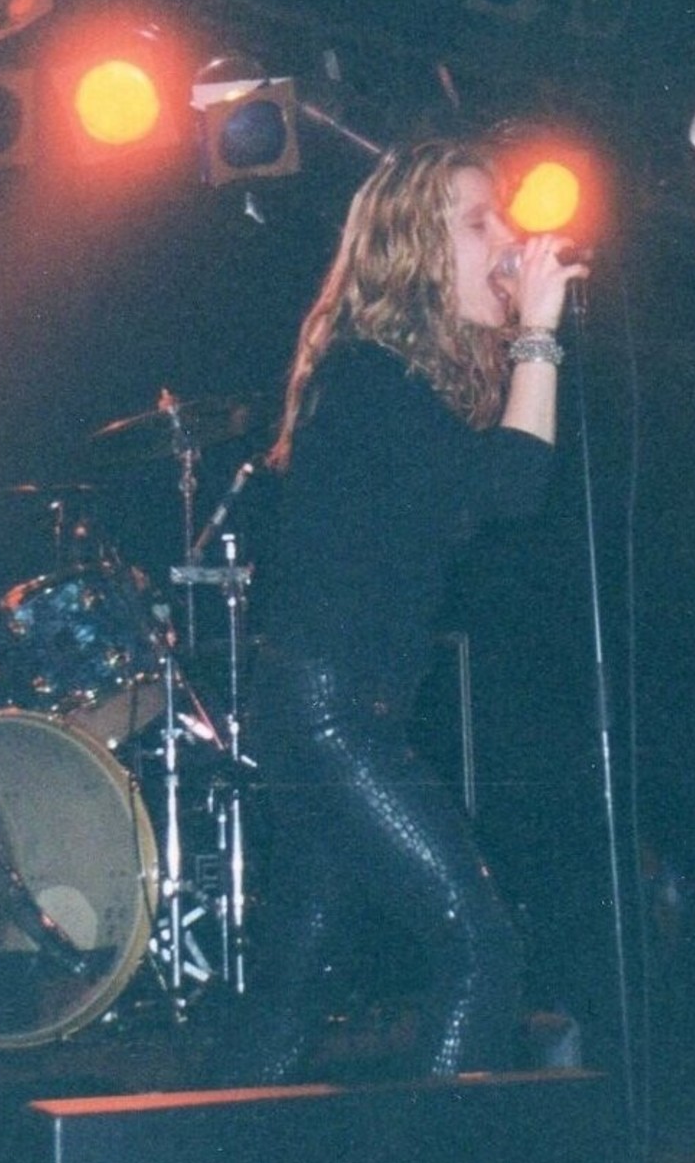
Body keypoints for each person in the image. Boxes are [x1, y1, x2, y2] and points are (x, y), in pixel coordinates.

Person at [242, 137, 587, 1083]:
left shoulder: (396, 385)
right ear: (414, 252)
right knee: (479, 944)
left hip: (335, 713)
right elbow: (514, 485)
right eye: (479, 222)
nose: (509, 239)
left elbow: (497, 488)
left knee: (294, 980)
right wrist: (540, 332)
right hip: (330, 717)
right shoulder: (368, 380)